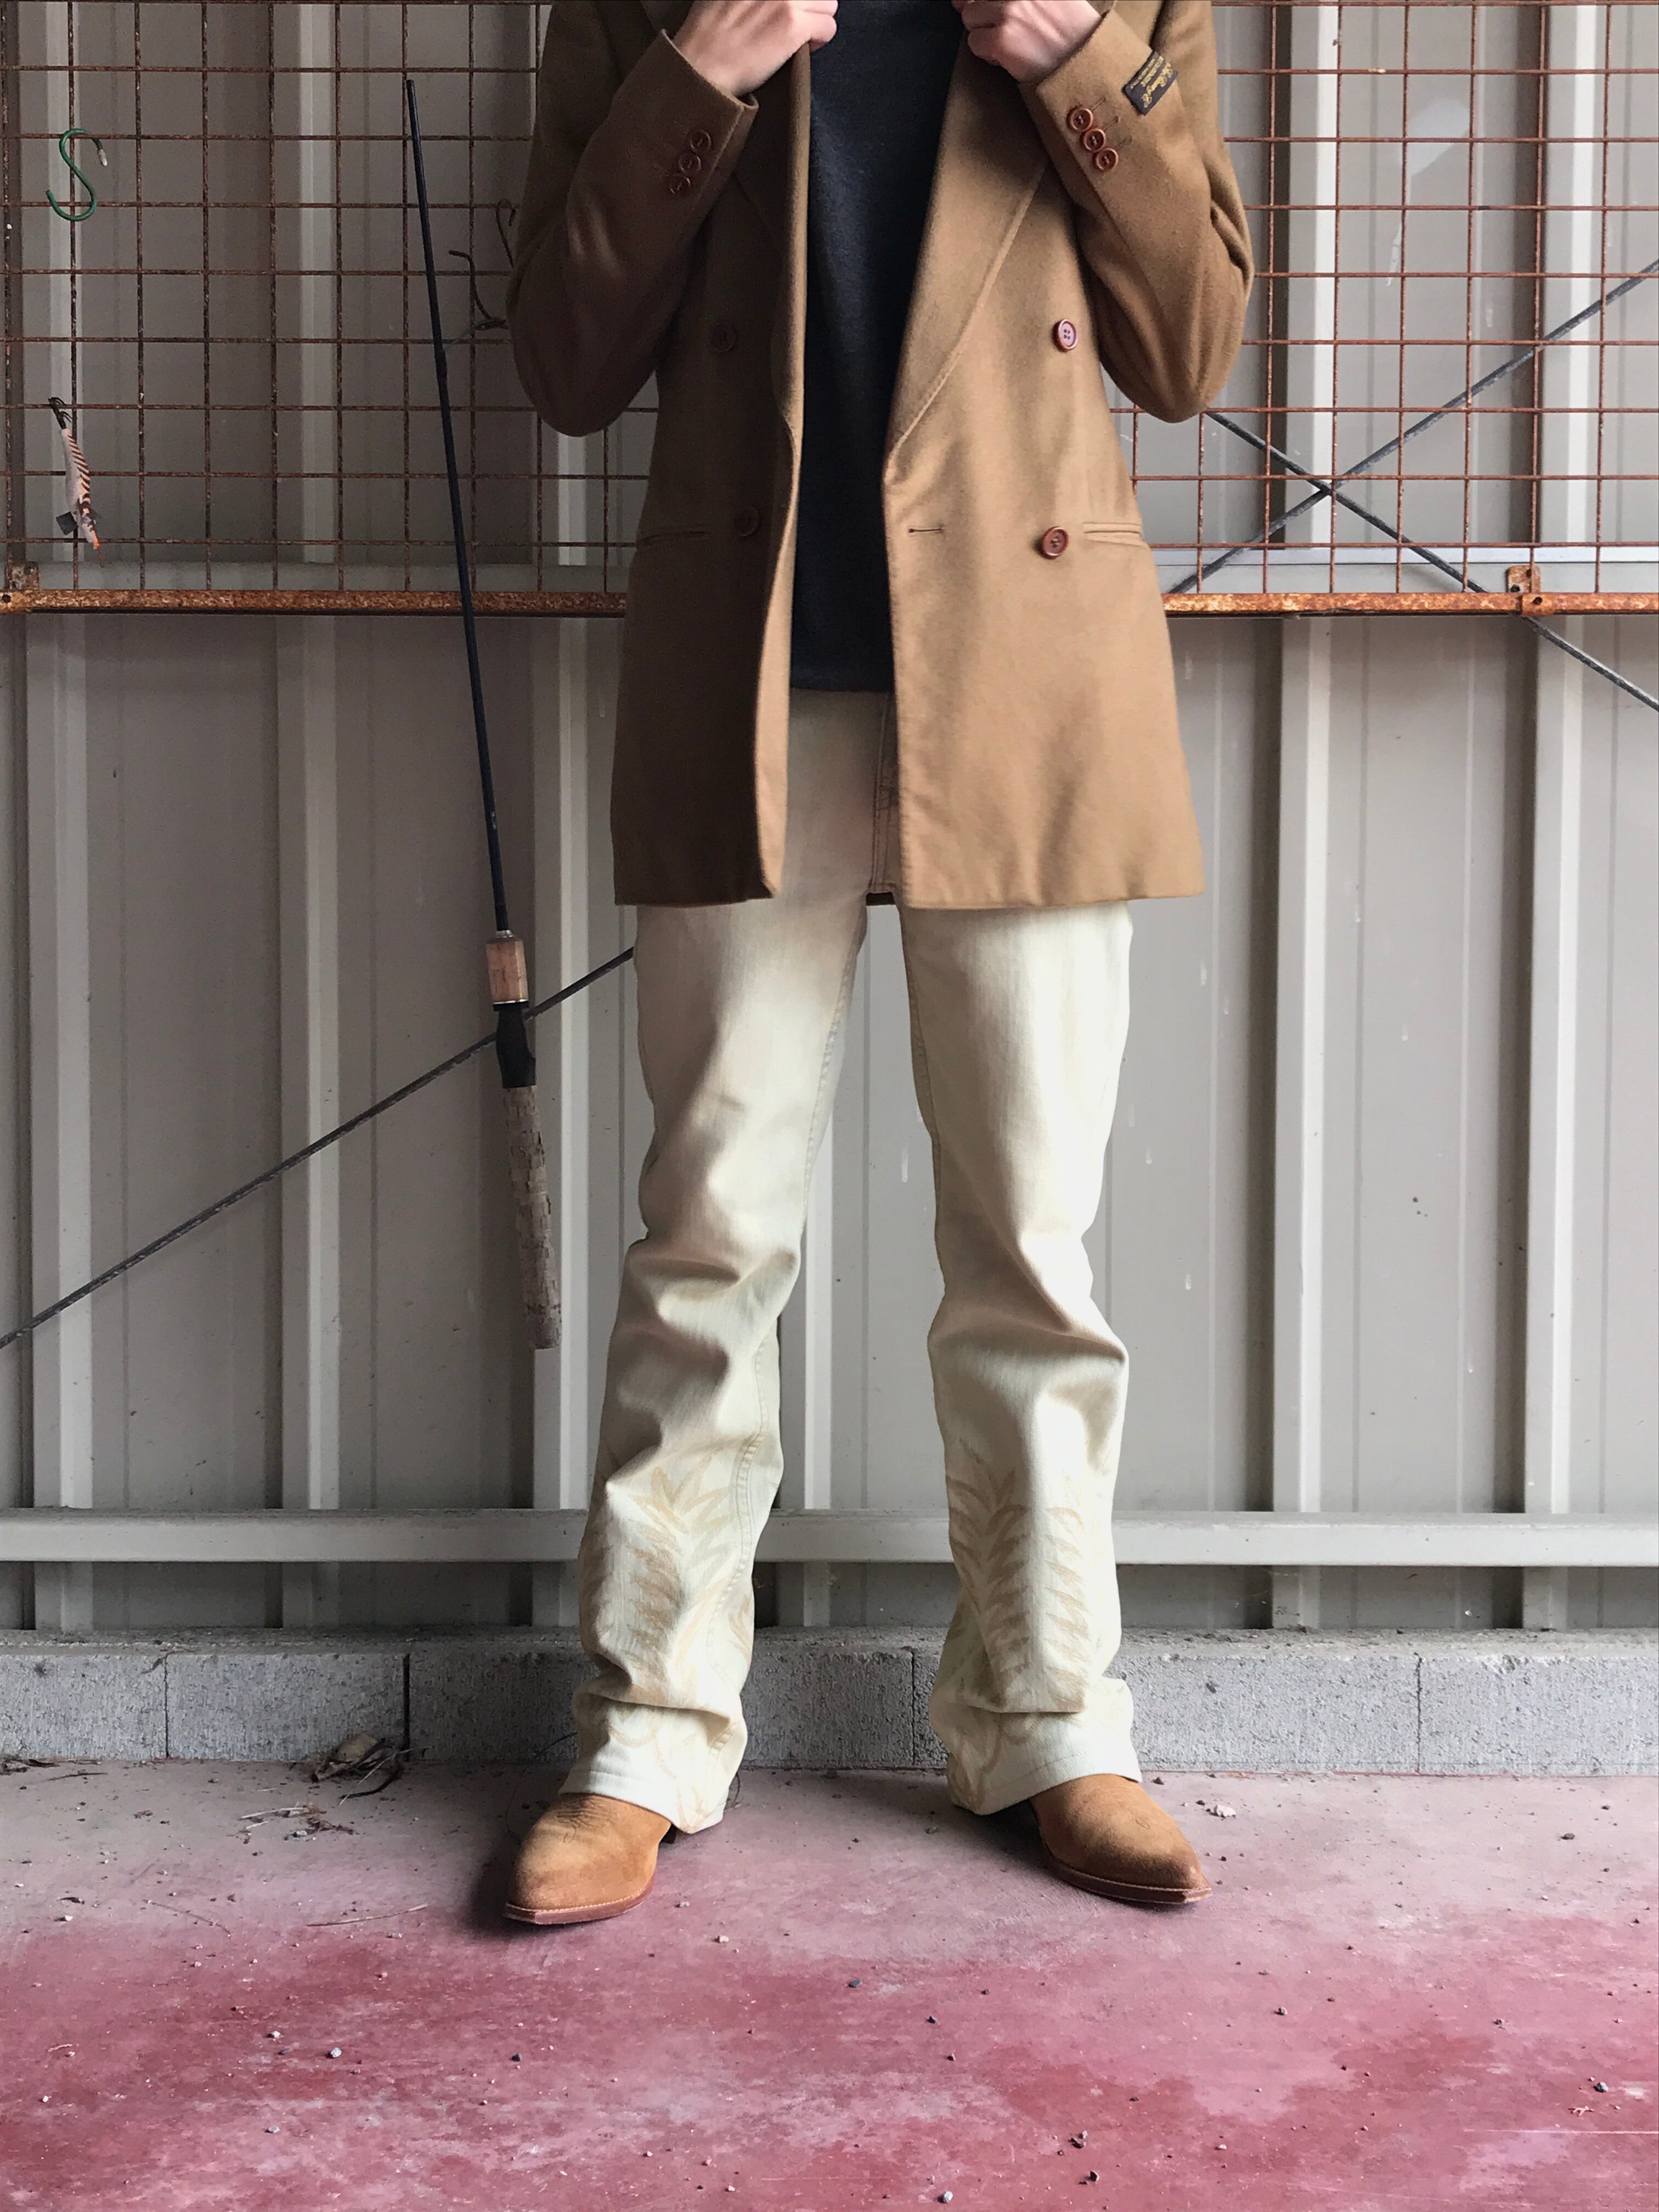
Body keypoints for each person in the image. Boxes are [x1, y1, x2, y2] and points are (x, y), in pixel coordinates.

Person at [503, 0, 1252, 1925]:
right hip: (754, 682)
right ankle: (646, 1733)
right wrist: (702, 74)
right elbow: (566, 358)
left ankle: (1053, 1721)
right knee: (708, 1231)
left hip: (1027, 681)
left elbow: (1192, 348)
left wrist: (1077, 65)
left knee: (1032, 1243)